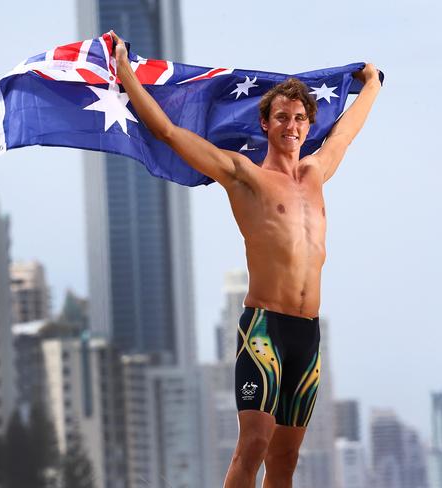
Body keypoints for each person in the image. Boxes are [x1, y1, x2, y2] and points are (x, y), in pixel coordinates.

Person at [109, 31, 381, 488]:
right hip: (264, 329)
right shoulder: (244, 175)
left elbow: (348, 132)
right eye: (281, 118)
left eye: (299, 119)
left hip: (307, 333)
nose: (291, 126)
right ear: (266, 125)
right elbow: (170, 132)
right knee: (253, 444)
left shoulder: (317, 172)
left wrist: (372, 83)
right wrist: (125, 71)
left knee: (287, 456)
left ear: (308, 125)